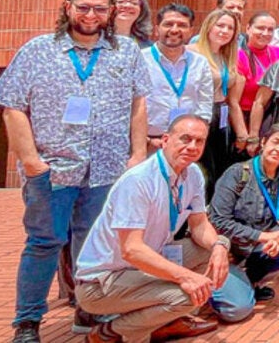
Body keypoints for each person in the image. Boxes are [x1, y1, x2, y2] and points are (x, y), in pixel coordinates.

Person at [0, 0, 150, 343]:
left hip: (107, 170)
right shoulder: (38, 50)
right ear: (68, 8)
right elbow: (12, 106)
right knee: (44, 243)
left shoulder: (125, 51)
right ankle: (28, 322)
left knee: (94, 244)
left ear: (110, 12)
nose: (91, 15)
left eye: (99, 9)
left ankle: (89, 310)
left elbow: (139, 104)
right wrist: (31, 160)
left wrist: (137, 154)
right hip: (53, 170)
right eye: (84, 8)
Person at [74, 115, 253, 343]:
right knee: (190, 296)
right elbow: (131, 250)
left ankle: (161, 320)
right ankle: (111, 333)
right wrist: (186, 277)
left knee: (207, 252)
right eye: (185, 139)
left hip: (146, 263)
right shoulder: (139, 180)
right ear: (166, 139)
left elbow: (199, 225)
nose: (192, 147)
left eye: (199, 141)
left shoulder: (193, 174)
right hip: (104, 281)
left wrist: (219, 245)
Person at [208, 123, 279, 303]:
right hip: (230, 247)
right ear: (263, 142)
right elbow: (218, 220)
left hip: (262, 245)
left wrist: (278, 240)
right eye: (275, 142)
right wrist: (262, 236)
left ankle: (254, 282)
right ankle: (230, 282)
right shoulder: (237, 173)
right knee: (237, 309)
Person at [141, 4, 215, 153]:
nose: (174, 30)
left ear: (191, 31)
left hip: (186, 145)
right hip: (147, 143)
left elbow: (205, 104)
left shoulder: (200, 63)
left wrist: (195, 136)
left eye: (182, 25)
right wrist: (146, 140)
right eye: (168, 24)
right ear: (157, 29)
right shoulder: (139, 59)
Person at [190, 8, 245, 192]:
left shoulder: (227, 56)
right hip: (199, 115)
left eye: (230, 28)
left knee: (219, 170)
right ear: (208, 27)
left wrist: (242, 133)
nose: (224, 31)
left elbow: (233, 100)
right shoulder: (192, 52)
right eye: (220, 25)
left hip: (221, 117)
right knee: (203, 170)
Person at [236, 12, 279, 156]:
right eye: (260, 28)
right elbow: (234, 101)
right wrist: (249, 135)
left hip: (274, 116)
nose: (265, 33)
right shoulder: (239, 56)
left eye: (270, 29)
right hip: (245, 119)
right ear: (248, 28)